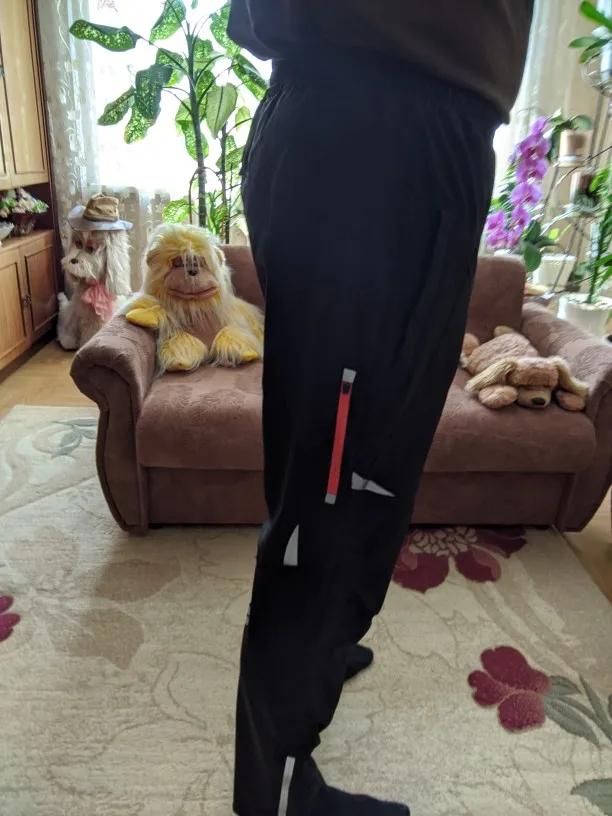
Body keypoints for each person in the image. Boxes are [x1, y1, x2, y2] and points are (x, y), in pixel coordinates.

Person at [227, 3, 534, 814]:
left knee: (332, 461)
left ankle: (318, 652)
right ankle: (278, 790)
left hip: (352, 117)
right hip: (385, 140)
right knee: (340, 485)